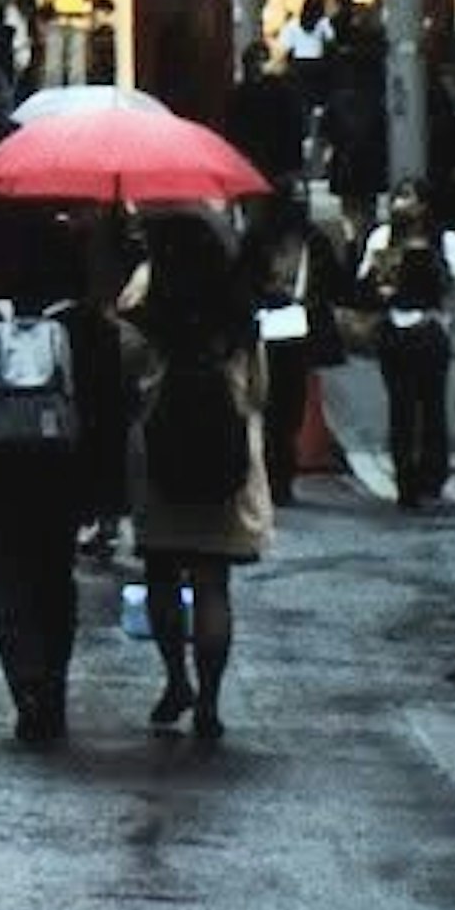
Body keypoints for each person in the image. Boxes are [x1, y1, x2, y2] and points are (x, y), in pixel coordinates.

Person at [119, 220, 271, 749]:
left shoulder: (148, 307)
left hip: (160, 455)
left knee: (161, 572)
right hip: (224, 459)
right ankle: (209, 700)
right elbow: (259, 392)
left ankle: (175, 680)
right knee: (213, 584)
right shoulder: (236, 316)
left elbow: (125, 369)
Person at [0, 245, 105, 746]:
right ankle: (53, 687)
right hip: (61, 465)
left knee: (6, 578)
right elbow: (99, 399)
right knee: (55, 575)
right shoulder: (83, 317)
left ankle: (26, 684)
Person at [357, 182, 455, 508]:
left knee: (432, 407)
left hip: (430, 328)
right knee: (401, 407)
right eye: (398, 196)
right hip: (394, 328)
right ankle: (405, 479)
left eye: (409, 197)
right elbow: (367, 281)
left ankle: (432, 474)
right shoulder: (382, 239)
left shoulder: (444, 239)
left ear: (425, 205)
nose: (401, 204)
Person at [249, 202, 321, 509]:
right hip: (289, 327)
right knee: (285, 409)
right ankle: (280, 478)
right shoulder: (310, 244)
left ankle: (274, 476)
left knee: (275, 409)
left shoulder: (255, 242)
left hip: (273, 327)